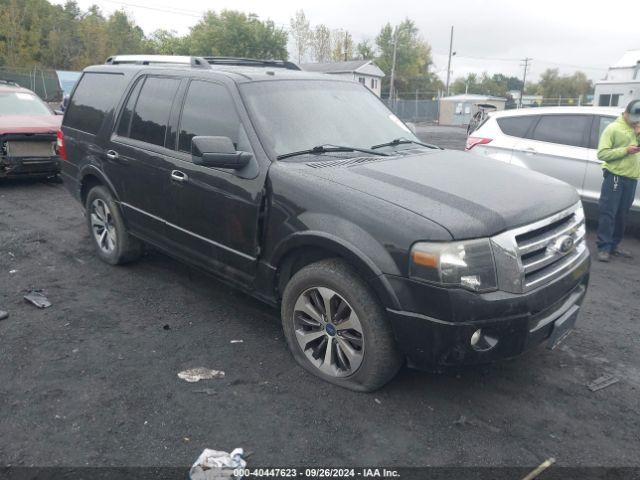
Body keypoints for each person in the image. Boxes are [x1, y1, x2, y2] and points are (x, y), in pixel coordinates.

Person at [596, 99, 640, 262]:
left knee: (622, 214)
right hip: (615, 176)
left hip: (632, 177)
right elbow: (602, 154)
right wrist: (625, 150)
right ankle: (604, 247)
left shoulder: (637, 128)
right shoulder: (613, 128)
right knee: (609, 212)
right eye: (635, 117)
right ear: (626, 113)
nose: (637, 121)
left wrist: (638, 134)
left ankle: (614, 245)